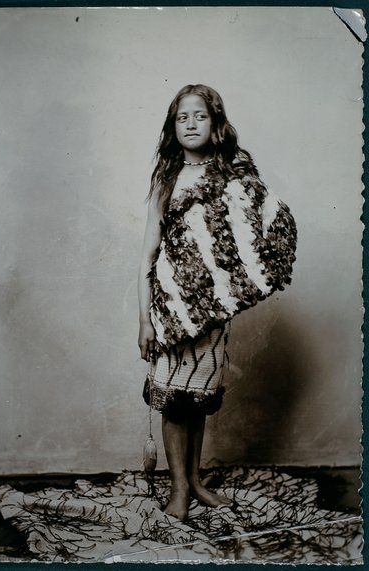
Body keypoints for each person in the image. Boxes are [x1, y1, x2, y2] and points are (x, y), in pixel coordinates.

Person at [138, 84, 297, 521]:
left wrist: (243, 281)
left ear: (216, 123)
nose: (191, 124)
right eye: (182, 117)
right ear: (173, 127)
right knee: (174, 401)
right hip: (170, 310)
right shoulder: (167, 179)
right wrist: (145, 321)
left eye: (200, 115)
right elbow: (148, 255)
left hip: (212, 312)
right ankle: (178, 490)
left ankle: (195, 482)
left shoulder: (234, 174)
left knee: (197, 397)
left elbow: (259, 226)